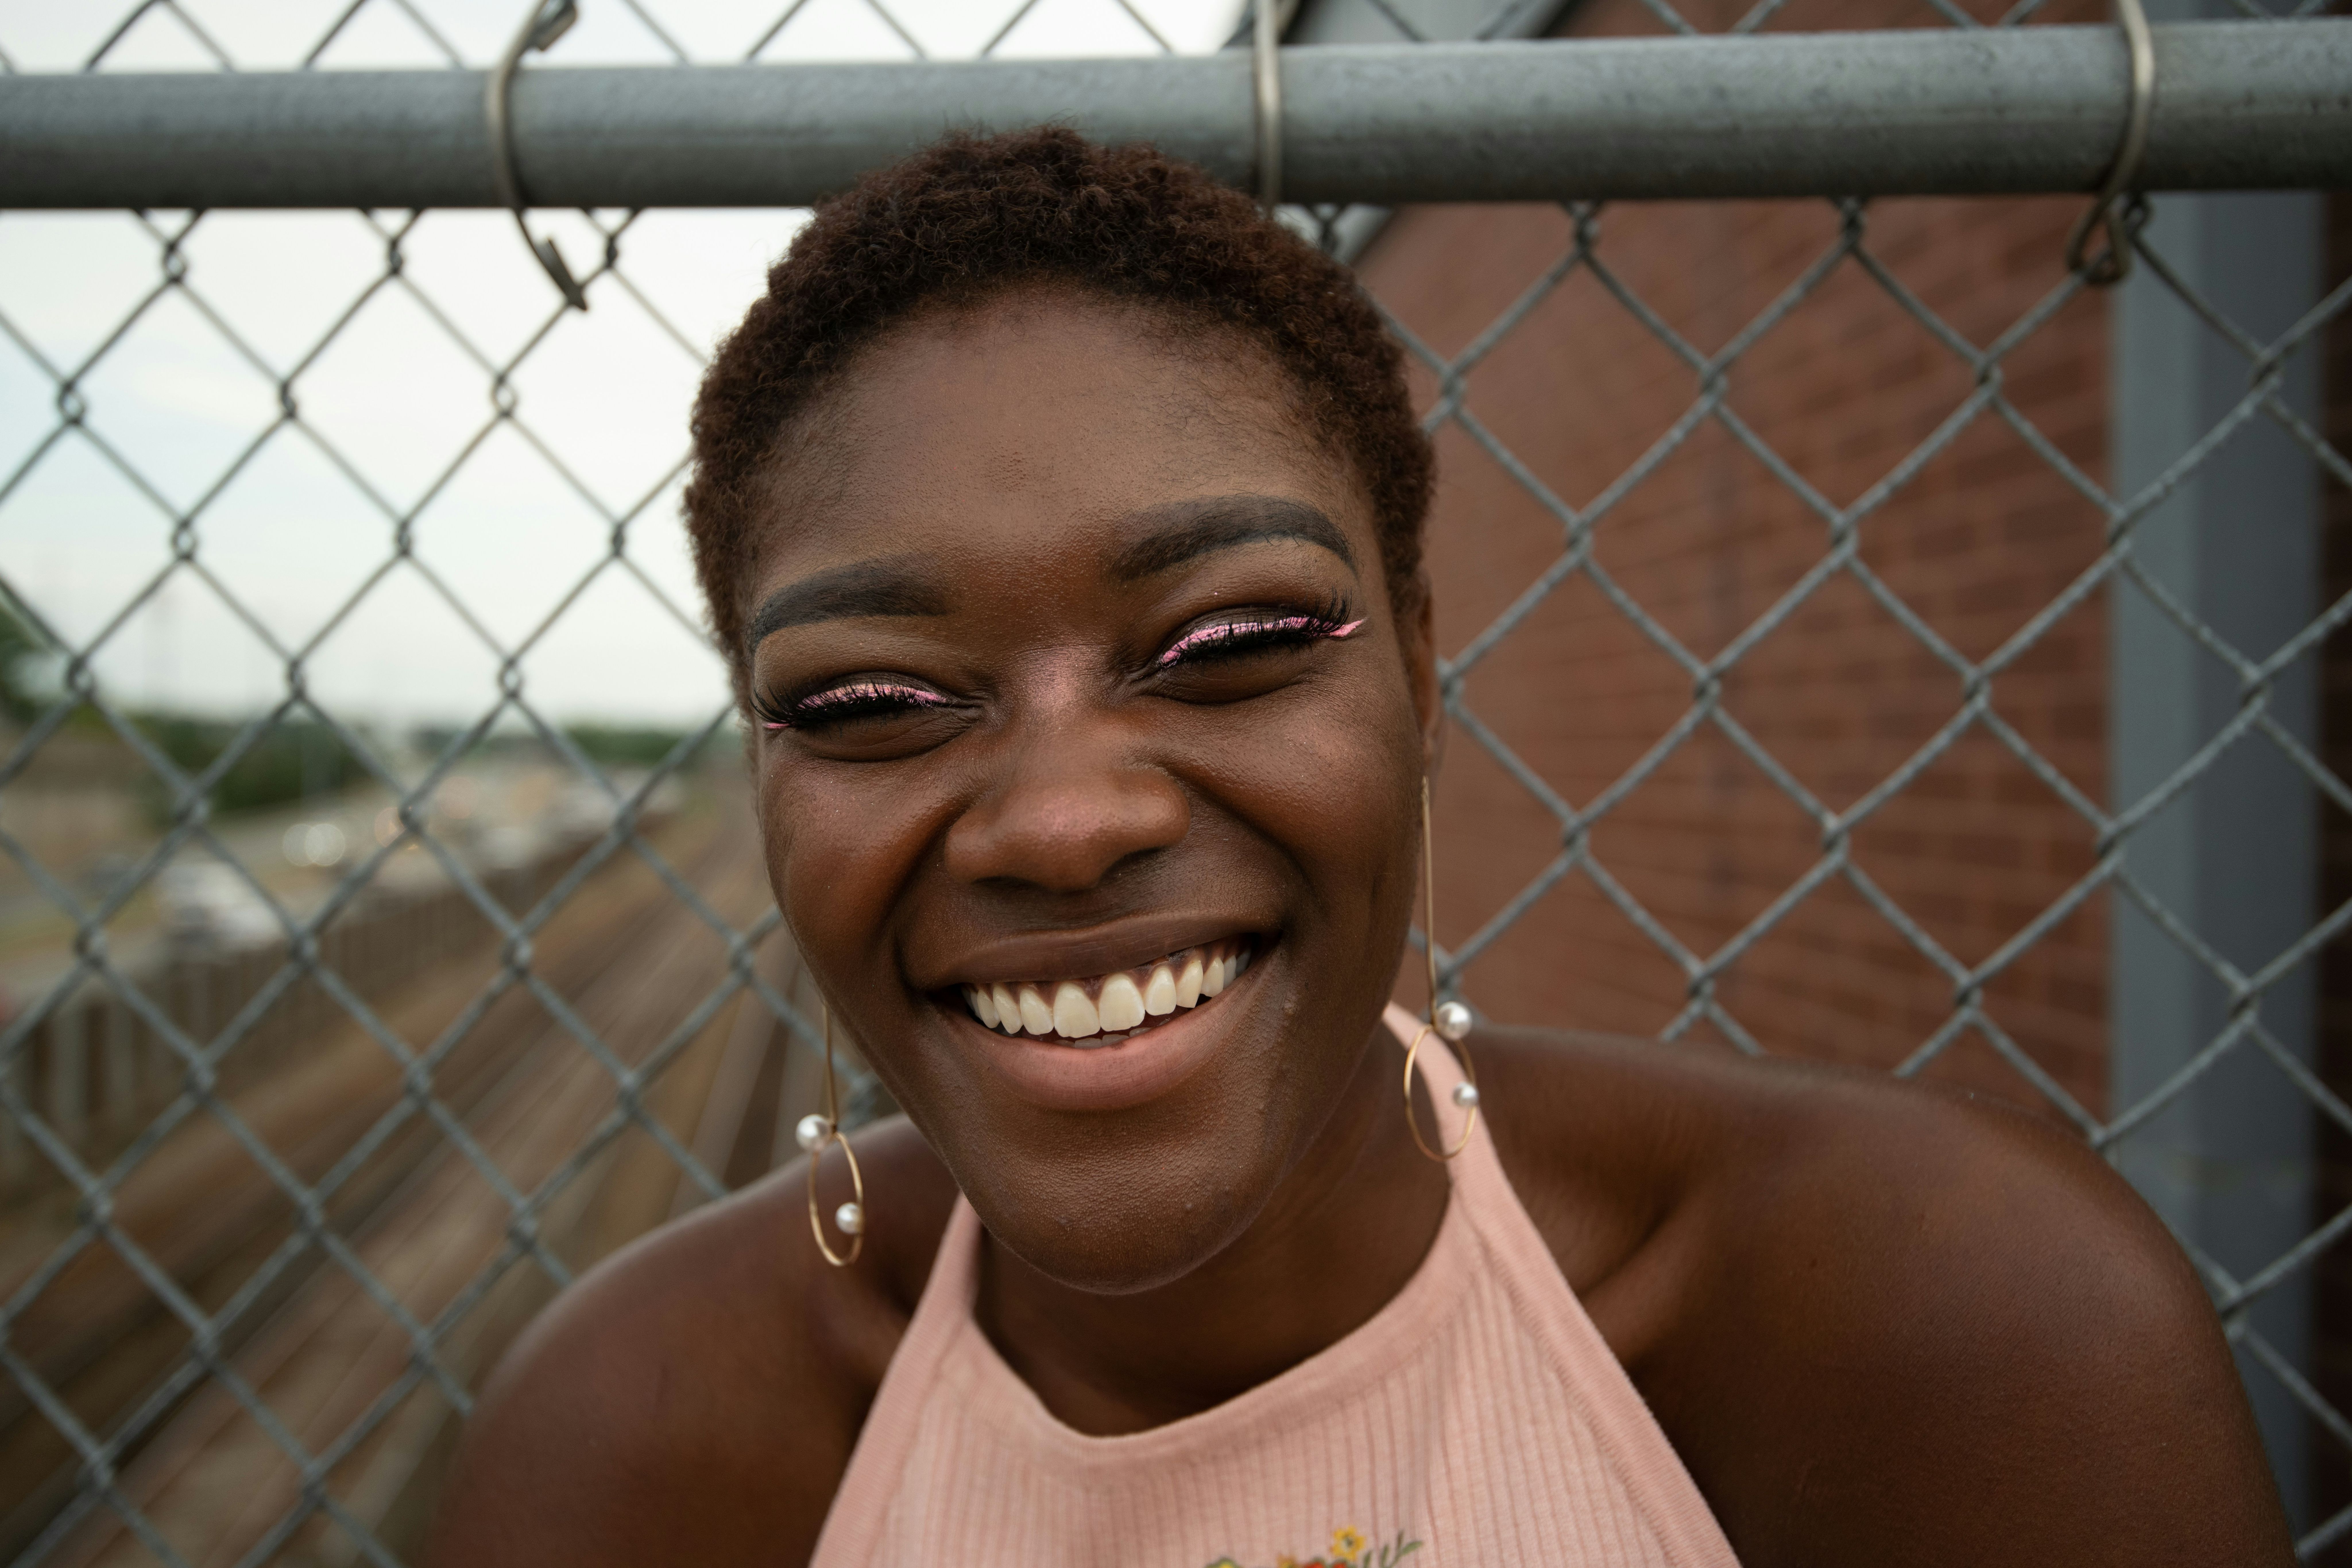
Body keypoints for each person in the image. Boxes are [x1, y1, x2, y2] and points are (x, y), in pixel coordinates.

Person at [425, 128, 2292, 1568]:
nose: (1068, 819)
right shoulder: (627, 1454)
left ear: (1418, 661)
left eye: (1228, 647)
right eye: (868, 703)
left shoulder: (1952, 1348)